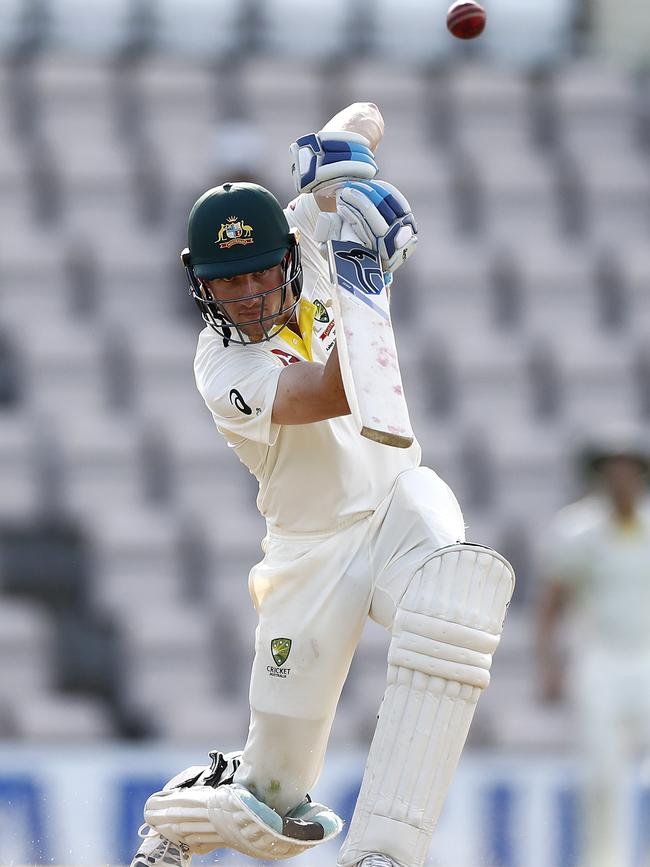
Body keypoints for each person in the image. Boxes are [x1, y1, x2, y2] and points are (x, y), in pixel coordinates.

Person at [130, 103, 515, 867]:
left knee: (455, 598)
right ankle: (183, 813)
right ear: (198, 284)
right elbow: (340, 391)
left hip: (396, 499)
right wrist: (369, 275)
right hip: (311, 554)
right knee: (270, 814)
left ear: (286, 256)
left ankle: (384, 852)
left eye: (257, 272)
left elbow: (361, 123)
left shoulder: (308, 233)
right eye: (224, 281)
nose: (243, 294)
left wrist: (348, 162)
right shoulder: (222, 367)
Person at [538, 432, 650, 867]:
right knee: (603, 773)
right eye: (611, 469)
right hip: (599, 662)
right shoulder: (577, 529)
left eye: (628, 468)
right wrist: (548, 667)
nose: (620, 477)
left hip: (647, 659)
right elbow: (551, 605)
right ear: (600, 475)